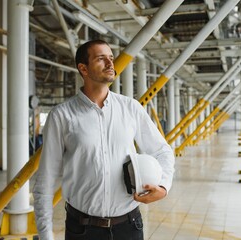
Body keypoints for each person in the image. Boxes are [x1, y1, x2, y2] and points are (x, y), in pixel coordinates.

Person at [33, 39, 175, 240]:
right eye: (101, 59)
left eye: (111, 58)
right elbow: (45, 181)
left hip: (129, 227)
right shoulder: (62, 115)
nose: (111, 64)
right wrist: (46, 236)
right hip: (82, 230)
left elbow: (162, 151)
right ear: (83, 68)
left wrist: (163, 186)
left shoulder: (131, 108)